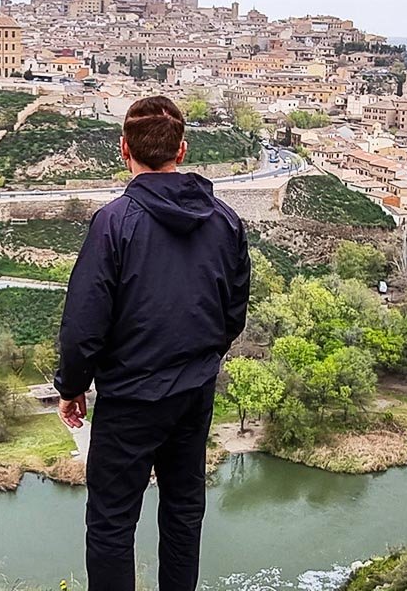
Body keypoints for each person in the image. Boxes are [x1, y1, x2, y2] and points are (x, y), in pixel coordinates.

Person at [56, 95, 251, 591]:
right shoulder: (225, 221)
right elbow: (233, 312)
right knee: (184, 512)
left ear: (124, 150)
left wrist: (72, 385)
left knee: (111, 523)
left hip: (129, 398)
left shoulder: (114, 223)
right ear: (181, 150)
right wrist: (200, 360)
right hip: (193, 393)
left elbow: (85, 321)